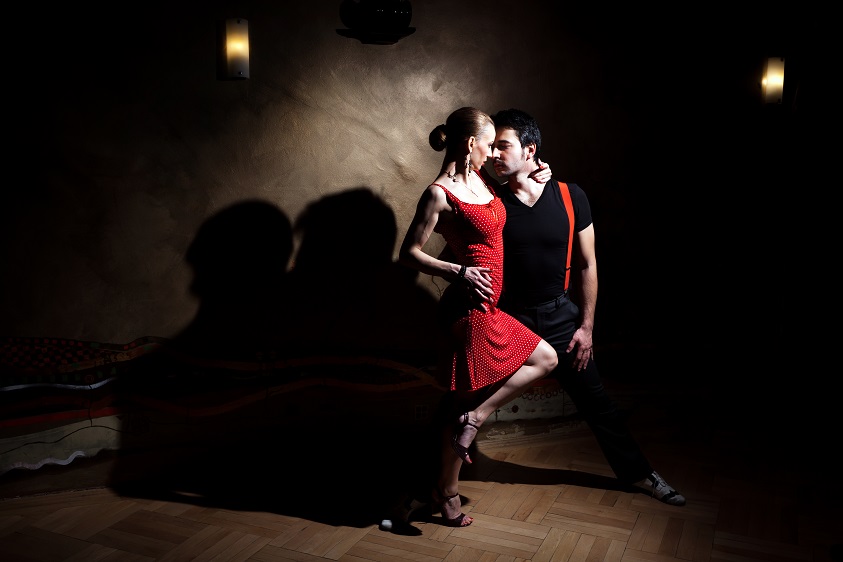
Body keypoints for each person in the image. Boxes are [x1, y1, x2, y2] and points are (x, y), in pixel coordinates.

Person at [482, 108, 686, 506]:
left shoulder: (570, 196)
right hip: (511, 320)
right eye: (491, 147)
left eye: (502, 146)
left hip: (561, 318)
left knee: (599, 407)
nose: (493, 155)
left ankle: (642, 475)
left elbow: (588, 264)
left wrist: (587, 327)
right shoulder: (492, 203)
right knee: (469, 398)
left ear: (530, 149)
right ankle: (435, 482)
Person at [395, 107, 558, 528]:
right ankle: (446, 494)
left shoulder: (483, 181)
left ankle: (468, 432)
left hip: (491, 308)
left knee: (542, 360)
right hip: (467, 311)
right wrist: (458, 271)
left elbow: (512, 183)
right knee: (463, 404)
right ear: (471, 144)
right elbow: (408, 254)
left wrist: (538, 170)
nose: (493, 153)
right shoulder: (438, 193)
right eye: (489, 145)